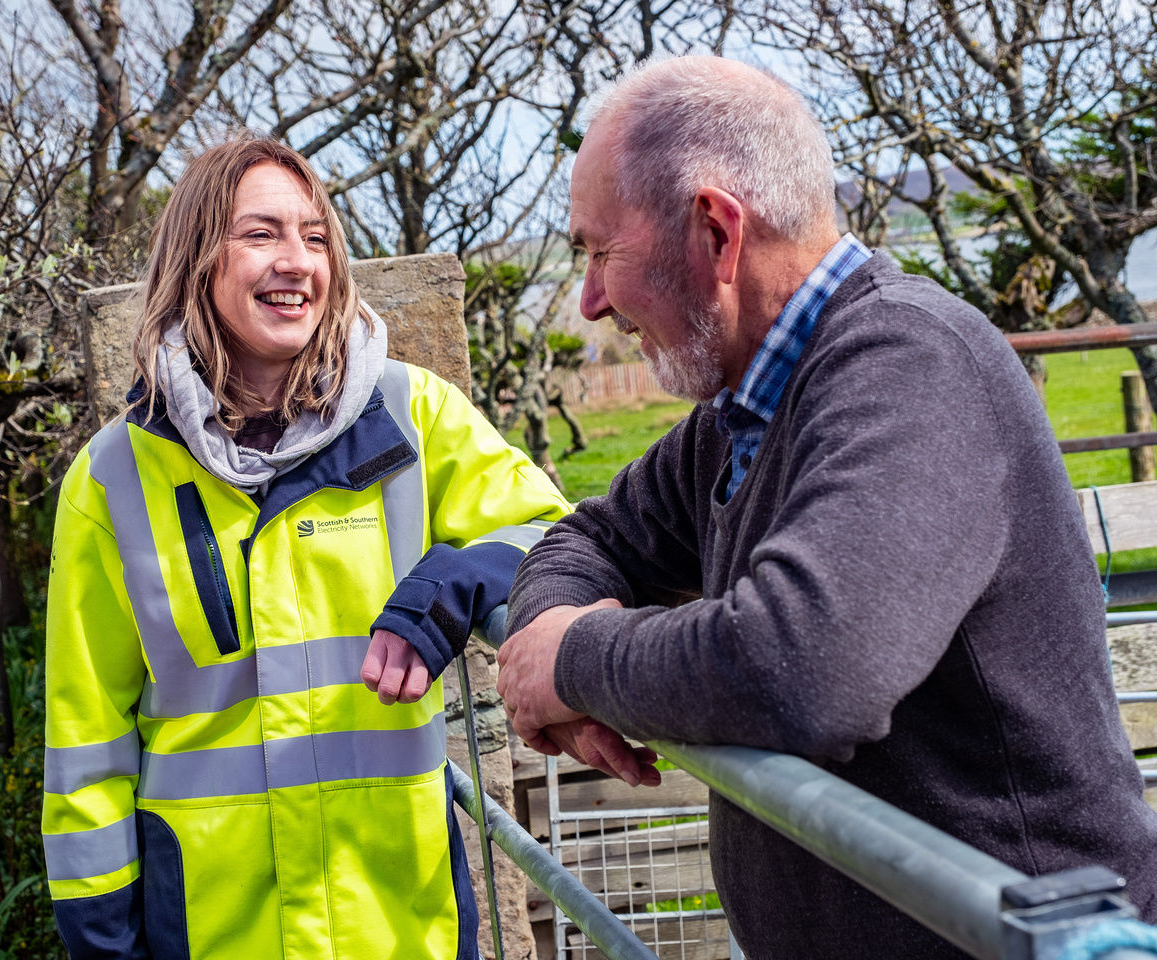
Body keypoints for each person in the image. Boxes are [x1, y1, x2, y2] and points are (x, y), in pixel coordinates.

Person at [494, 56, 1157, 958]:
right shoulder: (742, 411)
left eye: (599, 251)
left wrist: (574, 659)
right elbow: (592, 536)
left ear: (716, 232)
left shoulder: (911, 367)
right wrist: (554, 635)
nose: (592, 299)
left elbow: (804, 666)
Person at [41, 137, 569, 960]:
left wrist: (454, 580)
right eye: (261, 234)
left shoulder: (412, 415)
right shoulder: (113, 476)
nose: (297, 262)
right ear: (196, 258)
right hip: (213, 933)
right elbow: (85, 745)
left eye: (316, 237)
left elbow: (557, 533)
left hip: (404, 925)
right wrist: (104, 943)